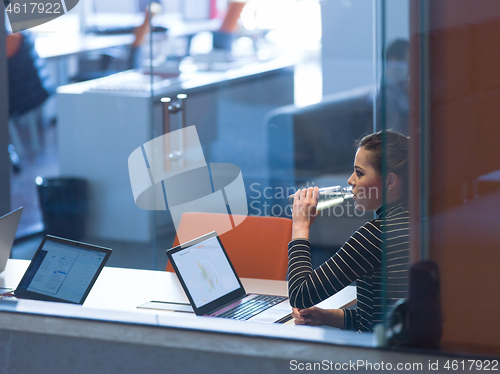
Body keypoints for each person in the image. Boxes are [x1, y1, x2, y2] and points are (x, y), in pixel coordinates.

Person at [288, 130, 410, 332]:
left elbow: (300, 295)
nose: (350, 180)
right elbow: (384, 317)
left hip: (379, 360)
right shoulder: (419, 220)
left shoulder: (377, 235)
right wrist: (328, 317)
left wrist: (300, 226)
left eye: (359, 173)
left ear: (389, 181)